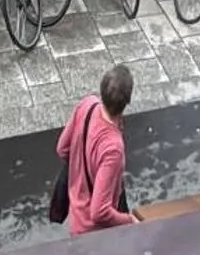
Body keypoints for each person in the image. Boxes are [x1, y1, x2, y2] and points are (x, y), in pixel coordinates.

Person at [56, 65, 138, 234]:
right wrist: (130, 220)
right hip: (94, 233)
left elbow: (62, 148)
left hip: (75, 216)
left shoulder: (87, 105)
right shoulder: (113, 148)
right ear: (127, 101)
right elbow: (99, 212)